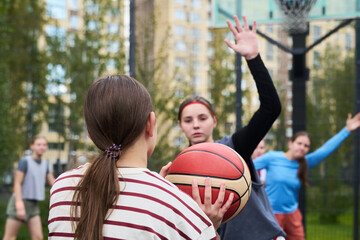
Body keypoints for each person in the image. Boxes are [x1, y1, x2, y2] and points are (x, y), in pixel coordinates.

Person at [47, 75, 233, 240]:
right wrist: (203, 227)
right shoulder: (175, 203)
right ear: (150, 124)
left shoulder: (62, 186)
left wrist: (155, 192)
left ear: (91, 135)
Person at [161, 15, 286, 239]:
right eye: (188, 121)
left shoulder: (235, 148)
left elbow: (271, 109)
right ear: (180, 125)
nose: (196, 125)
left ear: (214, 121)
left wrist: (254, 58)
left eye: (202, 117)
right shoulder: (179, 168)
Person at [253, 113, 360, 240]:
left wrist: (346, 130)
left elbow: (326, 149)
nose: (302, 147)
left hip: (293, 216)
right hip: (272, 216)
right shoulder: (272, 157)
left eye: (306, 146)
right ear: (290, 143)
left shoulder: (305, 163)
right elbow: (246, 167)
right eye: (299, 143)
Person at [3, 135, 55, 240]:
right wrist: (19, 205)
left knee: (38, 237)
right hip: (20, 202)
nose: (41, 147)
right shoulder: (25, 162)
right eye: (38, 144)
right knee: (10, 237)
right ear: (32, 146)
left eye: (44, 145)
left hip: (33, 205)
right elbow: (17, 183)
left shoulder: (45, 164)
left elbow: (53, 183)